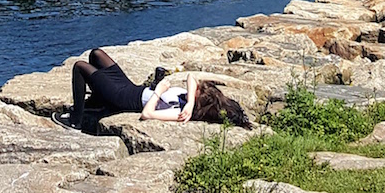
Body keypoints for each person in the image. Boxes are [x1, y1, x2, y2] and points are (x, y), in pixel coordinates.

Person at [52, 48, 252, 131]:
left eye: (197, 93)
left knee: (80, 67)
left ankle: (76, 120)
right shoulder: (188, 103)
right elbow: (192, 77)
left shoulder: (180, 113)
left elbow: (147, 115)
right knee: (96, 54)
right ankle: (96, 103)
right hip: (131, 88)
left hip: (123, 98)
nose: (195, 90)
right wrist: (190, 101)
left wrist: (159, 92)